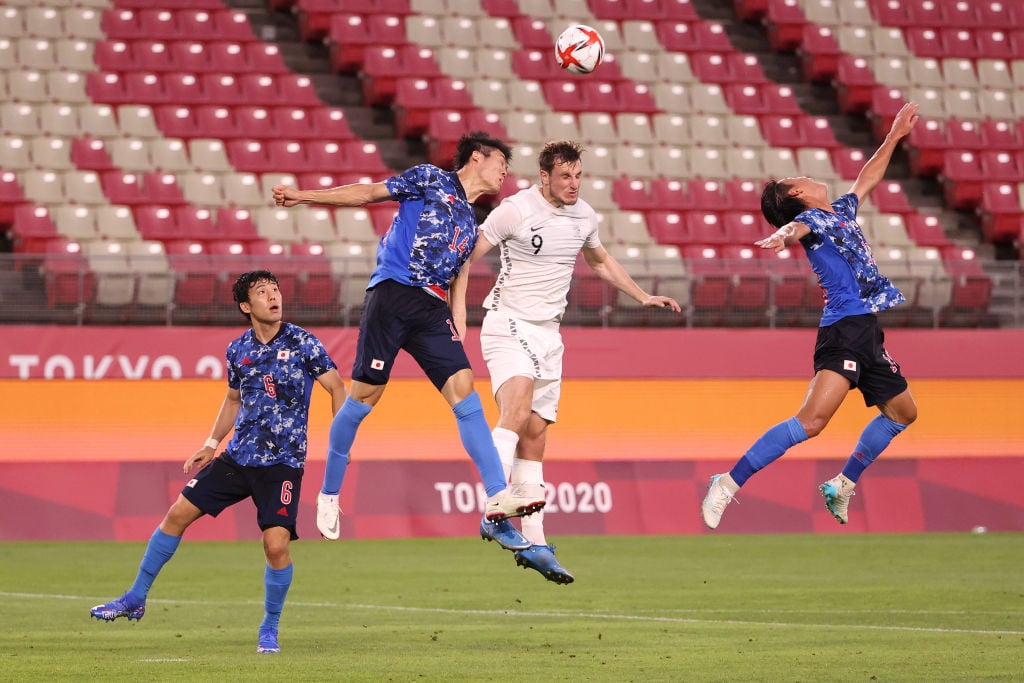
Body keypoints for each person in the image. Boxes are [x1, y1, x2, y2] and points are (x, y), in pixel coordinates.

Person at [271, 132, 545, 552]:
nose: (506, 172)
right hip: (394, 294)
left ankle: (496, 493)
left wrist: (458, 323)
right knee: (363, 399)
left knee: (465, 390)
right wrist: (302, 196)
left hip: (434, 311)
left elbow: (460, 279)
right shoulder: (429, 178)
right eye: (501, 163)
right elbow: (366, 193)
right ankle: (328, 493)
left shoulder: (471, 222)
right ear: (476, 157)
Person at [449, 140, 681, 583]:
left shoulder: (584, 216)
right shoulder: (515, 210)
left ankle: (535, 542)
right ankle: (495, 506)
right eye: (565, 177)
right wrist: (457, 308)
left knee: (535, 435)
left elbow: (600, 260)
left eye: (578, 176)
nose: (573, 184)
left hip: (549, 334)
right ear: (544, 177)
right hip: (508, 322)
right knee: (514, 413)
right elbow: (464, 257)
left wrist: (643, 295)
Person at [90, 271, 347, 654]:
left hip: (282, 463)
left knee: (276, 545)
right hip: (238, 458)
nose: (273, 296)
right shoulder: (237, 349)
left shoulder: (303, 342)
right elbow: (232, 400)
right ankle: (135, 597)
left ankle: (269, 629)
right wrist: (211, 444)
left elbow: (337, 388)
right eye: (262, 292)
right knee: (177, 513)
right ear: (247, 306)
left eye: (275, 289)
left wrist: (341, 442)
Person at [701, 102, 922, 530]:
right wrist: (782, 235)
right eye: (796, 178)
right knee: (812, 422)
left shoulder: (839, 212)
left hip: (866, 331)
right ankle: (727, 483)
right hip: (843, 331)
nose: (805, 175)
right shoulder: (812, 221)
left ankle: (842, 484)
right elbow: (795, 229)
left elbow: (867, 178)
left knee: (902, 413)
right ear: (796, 196)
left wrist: (894, 135)